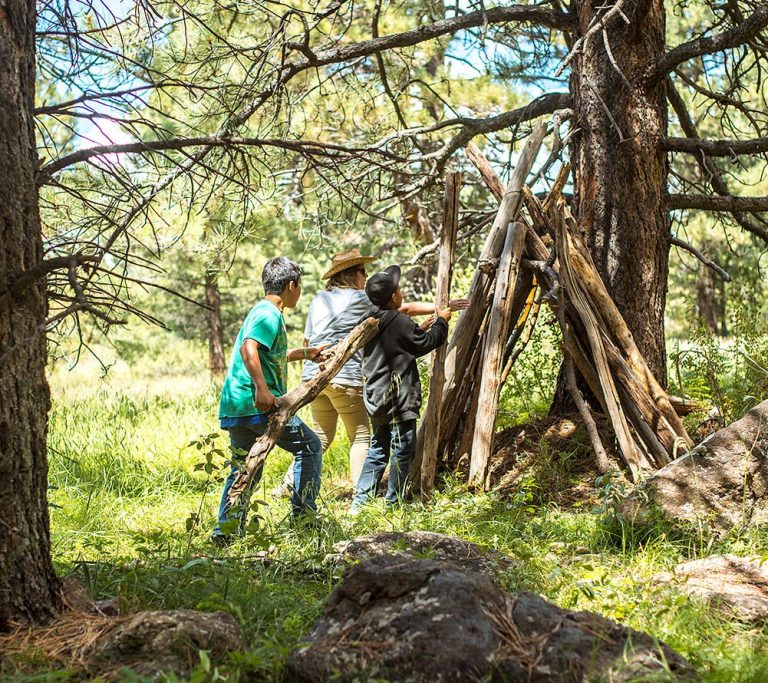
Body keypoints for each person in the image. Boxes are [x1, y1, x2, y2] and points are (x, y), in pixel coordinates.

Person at [276, 248, 469, 493]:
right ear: (348, 275)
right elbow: (403, 310)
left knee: (321, 436)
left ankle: (285, 487)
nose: (365, 276)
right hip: (343, 376)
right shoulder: (363, 298)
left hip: (314, 376)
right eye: (361, 271)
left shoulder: (318, 299)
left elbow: (307, 342)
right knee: (361, 437)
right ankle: (363, 493)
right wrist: (442, 307)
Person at [211, 257, 326, 546]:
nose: (299, 292)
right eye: (299, 286)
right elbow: (249, 348)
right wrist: (262, 389)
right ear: (291, 285)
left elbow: (266, 354)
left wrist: (305, 353)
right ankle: (304, 518)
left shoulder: (261, 311)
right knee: (310, 446)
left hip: (236, 406)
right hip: (258, 405)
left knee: (246, 466)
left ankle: (226, 533)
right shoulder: (269, 314)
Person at [350, 265, 452, 513]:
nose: (401, 291)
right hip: (398, 396)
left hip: (376, 395)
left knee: (378, 448)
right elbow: (425, 343)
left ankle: (359, 504)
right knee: (402, 449)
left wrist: (424, 326)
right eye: (398, 288)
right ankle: (393, 504)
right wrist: (441, 322)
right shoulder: (399, 321)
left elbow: (403, 341)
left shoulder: (371, 320)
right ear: (393, 297)